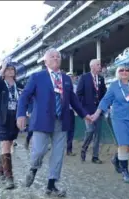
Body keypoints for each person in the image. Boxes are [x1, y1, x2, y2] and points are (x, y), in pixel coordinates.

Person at [16, 48, 91, 197]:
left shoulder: (66, 79)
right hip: (42, 121)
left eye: (58, 56)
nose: (56, 58)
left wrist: (84, 115)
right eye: (52, 56)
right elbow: (24, 96)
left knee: (58, 155)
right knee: (39, 151)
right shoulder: (37, 77)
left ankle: (51, 186)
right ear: (45, 61)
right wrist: (21, 114)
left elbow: (73, 100)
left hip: (62, 121)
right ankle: (33, 169)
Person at [91, 65, 129, 183]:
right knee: (123, 143)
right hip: (118, 118)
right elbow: (105, 101)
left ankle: (116, 158)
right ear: (118, 72)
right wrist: (97, 113)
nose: (124, 72)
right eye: (121, 70)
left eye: (127, 70)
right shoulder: (114, 86)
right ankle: (125, 171)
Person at [0, 59, 24, 189]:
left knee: (9, 143)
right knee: (5, 143)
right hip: (1, 118)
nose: (11, 71)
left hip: (13, 118)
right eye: (8, 69)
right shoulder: (0, 84)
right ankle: (9, 177)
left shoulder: (18, 84)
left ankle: (0, 171)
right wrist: (2, 66)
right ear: (4, 72)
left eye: (12, 69)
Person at [76, 59, 106, 163]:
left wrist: (104, 108)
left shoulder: (101, 79)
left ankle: (95, 156)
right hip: (87, 111)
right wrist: (82, 110)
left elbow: (104, 95)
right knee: (90, 130)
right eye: (98, 65)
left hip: (99, 111)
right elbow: (78, 95)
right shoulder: (83, 78)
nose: (100, 66)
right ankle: (84, 148)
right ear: (92, 66)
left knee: (98, 134)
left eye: (100, 64)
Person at [66, 72, 78, 156]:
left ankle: (69, 150)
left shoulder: (75, 87)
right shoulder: (62, 86)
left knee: (71, 130)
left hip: (71, 111)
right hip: (63, 111)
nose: (70, 78)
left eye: (72, 77)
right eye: (69, 77)